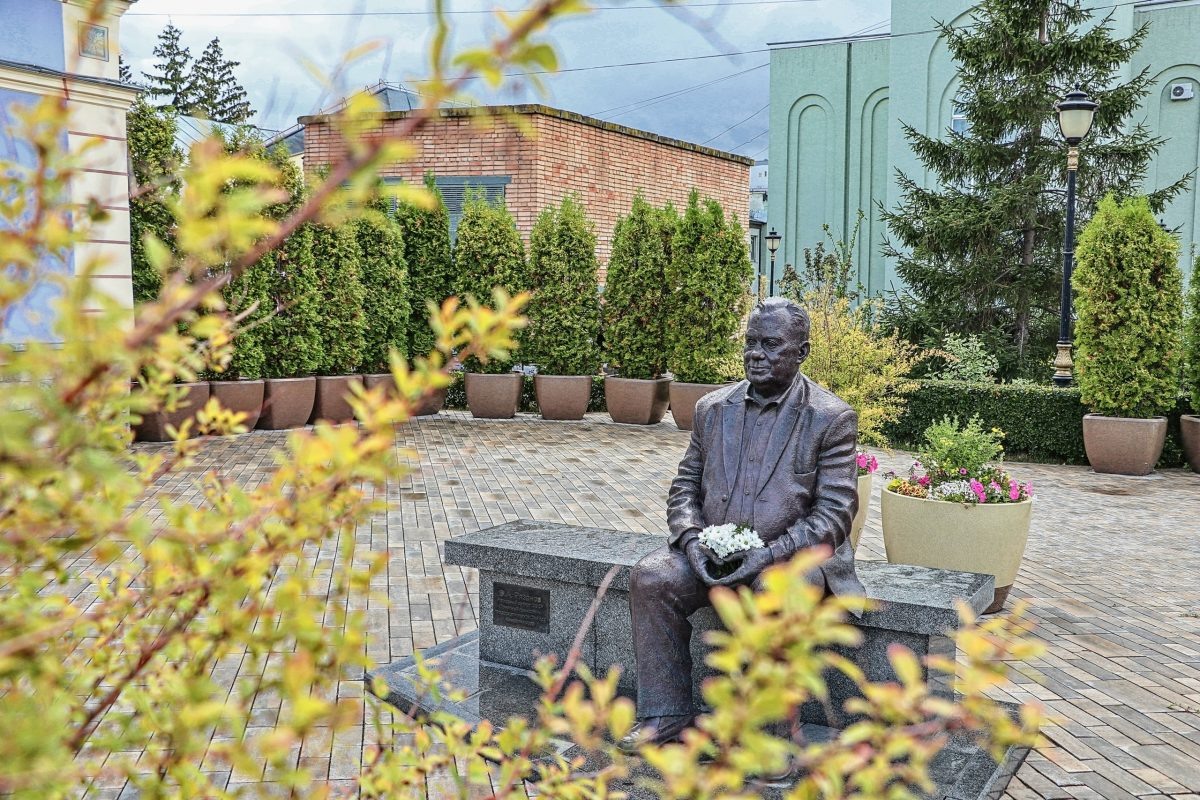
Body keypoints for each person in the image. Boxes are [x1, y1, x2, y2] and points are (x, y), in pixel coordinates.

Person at [620, 296, 864, 750]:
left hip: (792, 558)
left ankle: (766, 738)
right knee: (651, 576)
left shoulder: (830, 418)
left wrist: (769, 554)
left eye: (771, 344)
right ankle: (667, 716)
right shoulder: (713, 409)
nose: (756, 353)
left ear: (802, 352)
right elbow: (685, 486)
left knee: (777, 590)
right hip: (714, 551)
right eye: (751, 342)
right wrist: (691, 539)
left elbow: (834, 515)